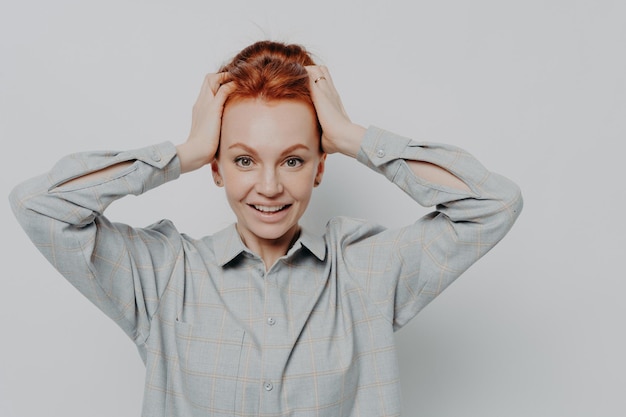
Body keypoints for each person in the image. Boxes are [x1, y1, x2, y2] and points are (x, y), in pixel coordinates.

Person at [9, 40, 523, 416]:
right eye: (244, 160)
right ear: (217, 167)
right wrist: (182, 153)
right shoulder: (164, 275)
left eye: (294, 161)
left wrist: (350, 136)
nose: (270, 186)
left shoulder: (367, 271)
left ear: (321, 166)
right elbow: (38, 205)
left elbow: (493, 204)